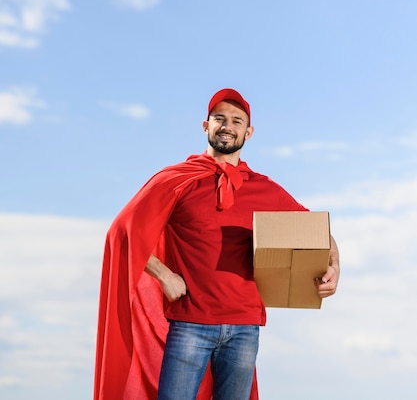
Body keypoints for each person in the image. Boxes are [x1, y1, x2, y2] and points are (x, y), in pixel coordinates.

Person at [94, 88, 340, 400]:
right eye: (219, 118)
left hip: (244, 329)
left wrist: (334, 267)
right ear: (205, 126)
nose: (228, 125)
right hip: (189, 326)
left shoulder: (264, 188)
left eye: (237, 121)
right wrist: (165, 276)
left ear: (248, 132)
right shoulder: (177, 179)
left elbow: (316, 230)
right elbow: (123, 231)